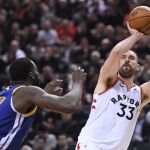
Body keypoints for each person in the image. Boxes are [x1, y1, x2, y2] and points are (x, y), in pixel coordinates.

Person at [76, 23, 150, 150]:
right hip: (91, 145)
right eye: (123, 57)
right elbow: (116, 52)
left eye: (132, 58)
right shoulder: (107, 80)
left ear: (138, 67)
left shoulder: (141, 93)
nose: (127, 60)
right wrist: (136, 36)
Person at [0, 58, 86, 150]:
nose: (38, 74)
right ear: (31, 75)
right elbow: (70, 105)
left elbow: (15, 115)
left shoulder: (5, 93)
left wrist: (45, 94)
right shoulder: (27, 91)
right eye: (36, 70)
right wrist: (78, 82)